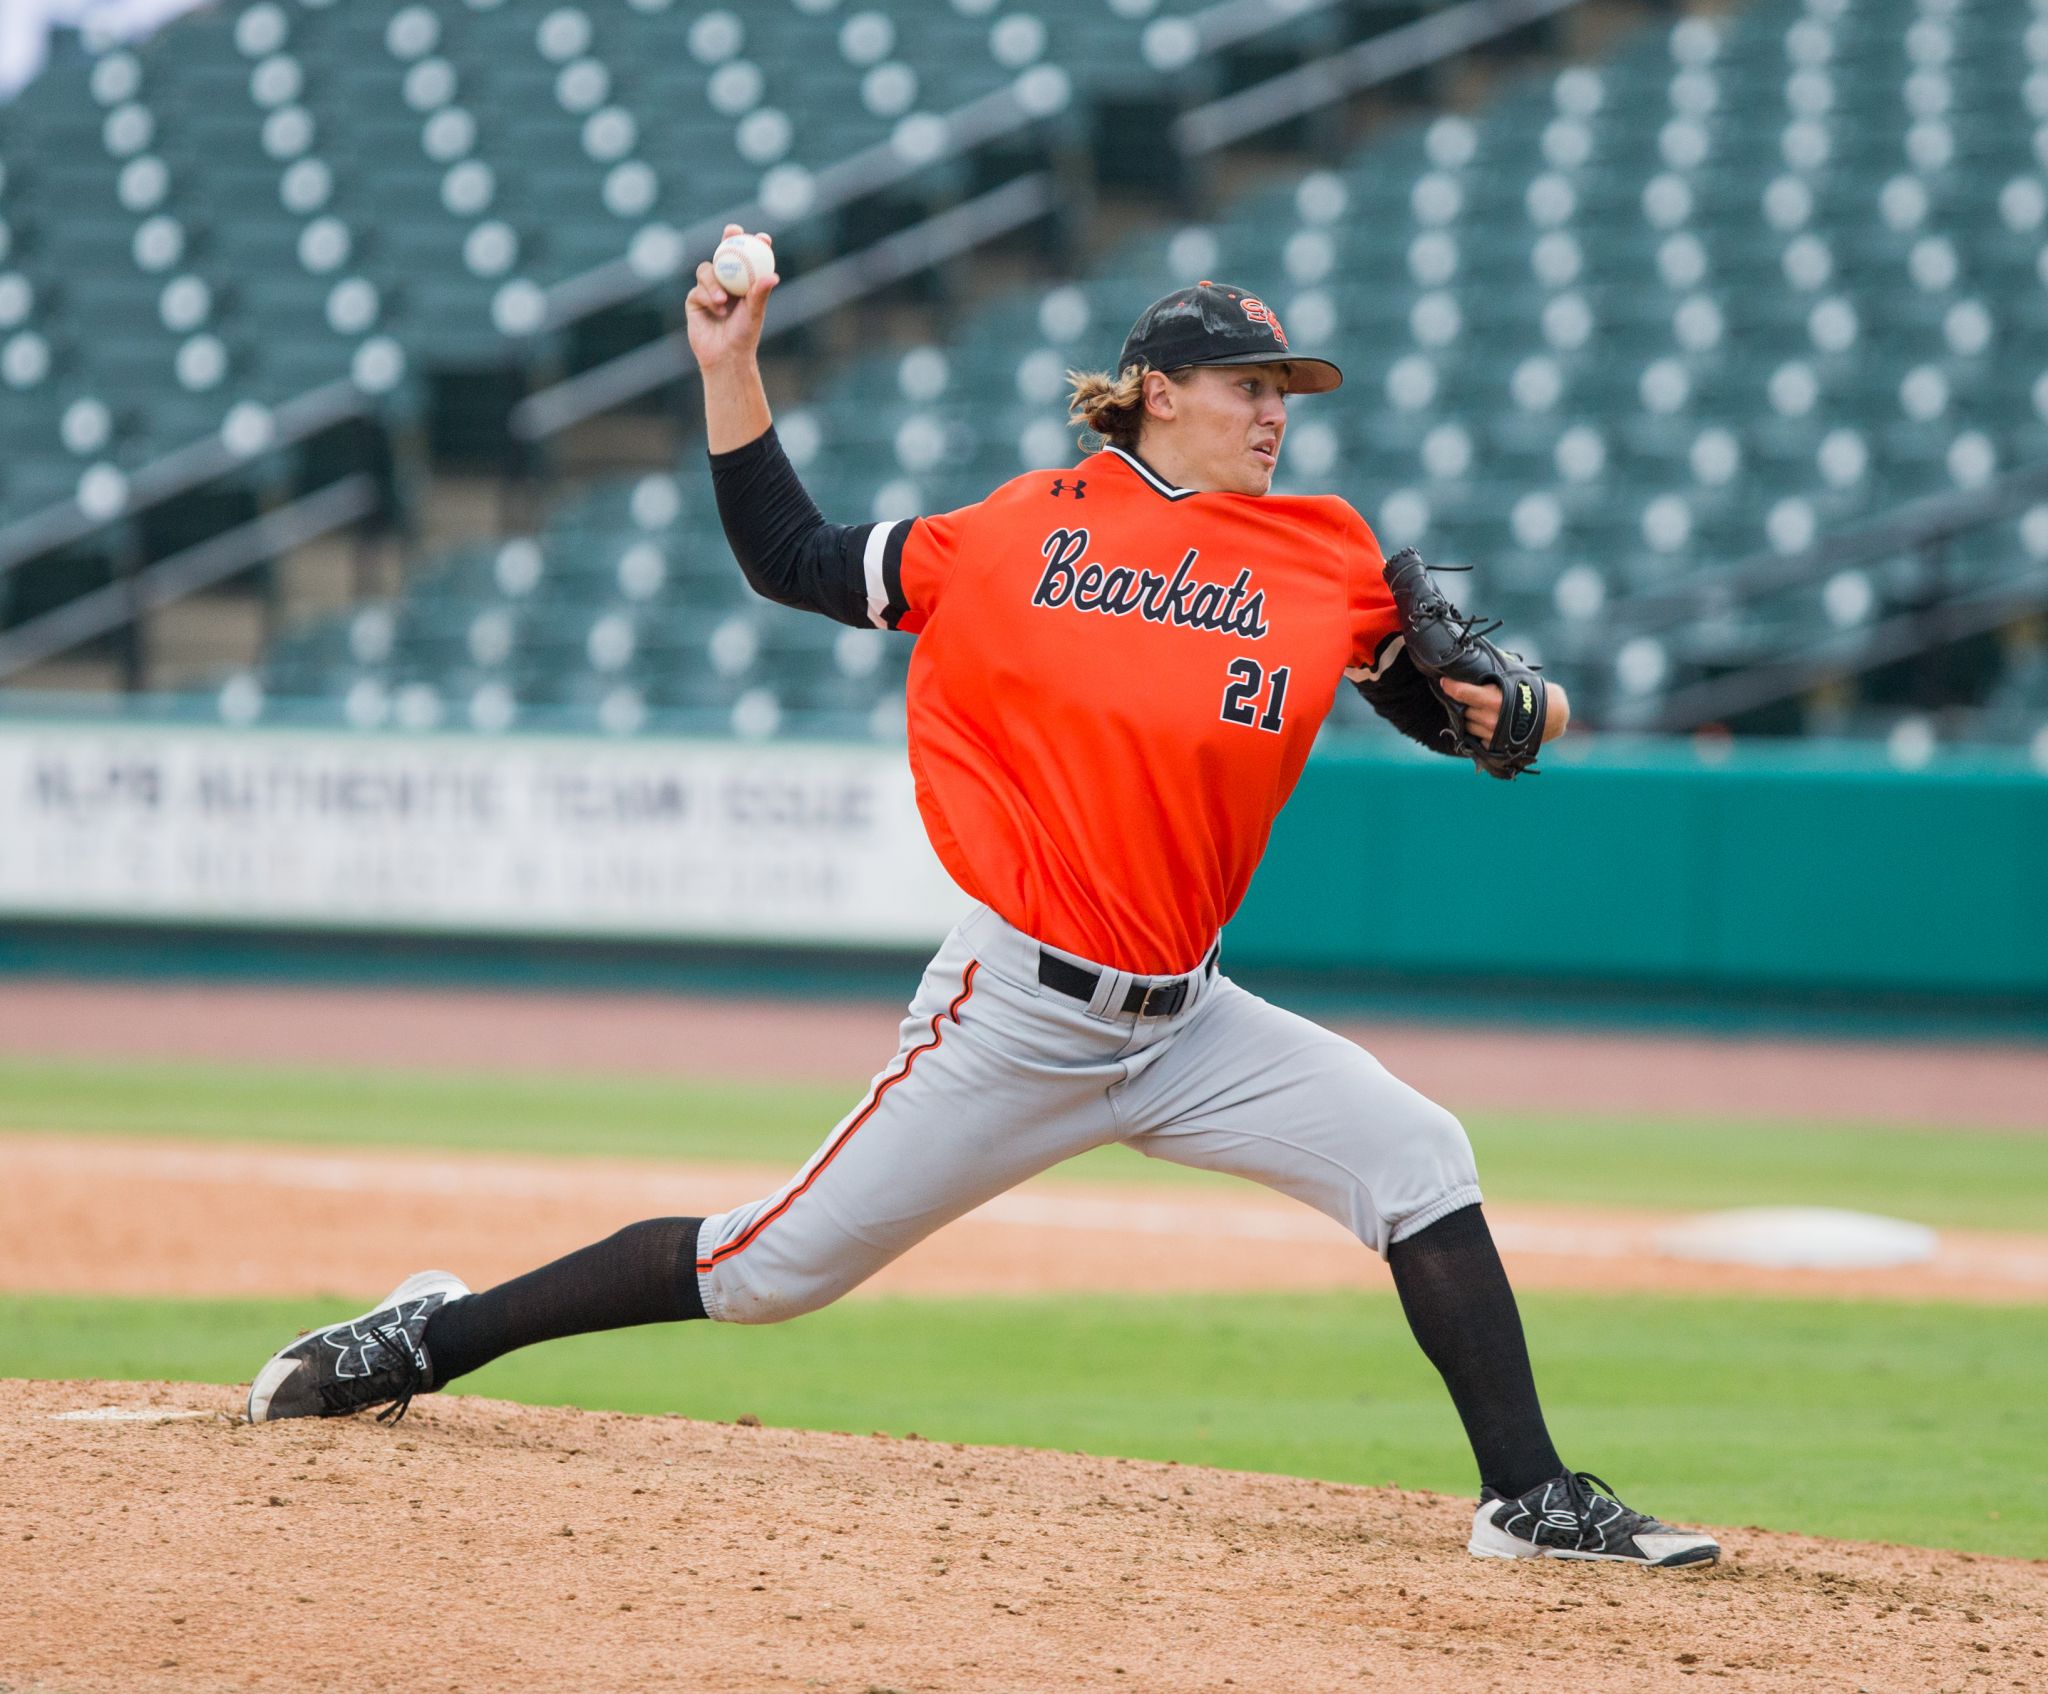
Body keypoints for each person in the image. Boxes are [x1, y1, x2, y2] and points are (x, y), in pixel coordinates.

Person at [246, 225, 1718, 1569]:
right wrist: (731, 363)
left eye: (1289, 388)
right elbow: (792, 558)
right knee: (769, 1269)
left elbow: (1445, 699)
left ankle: (1527, 1497)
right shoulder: (1022, 528)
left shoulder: (1322, 547)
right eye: (1247, 383)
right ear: (1154, 390)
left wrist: (1511, 706)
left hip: (1192, 1017)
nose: (1277, 411)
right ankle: (427, 1335)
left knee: (1418, 1151)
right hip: (1019, 1009)